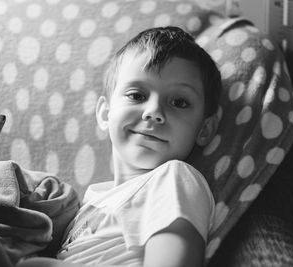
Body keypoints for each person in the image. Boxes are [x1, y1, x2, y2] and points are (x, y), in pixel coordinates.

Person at [18, 26, 222, 267]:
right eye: (137, 95)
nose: (154, 112)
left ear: (205, 129)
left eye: (179, 102)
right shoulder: (92, 200)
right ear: (105, 113)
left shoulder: (174, 178)